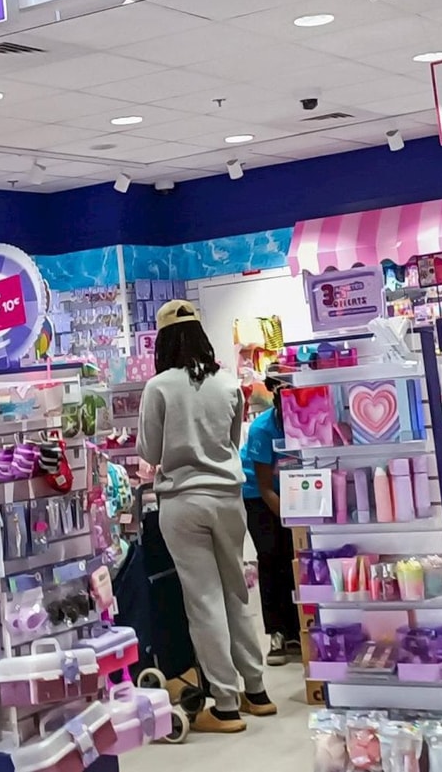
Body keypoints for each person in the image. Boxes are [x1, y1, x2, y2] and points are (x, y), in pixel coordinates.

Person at [137, 299, 275, 734]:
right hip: (229, 498)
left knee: (204, 601)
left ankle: (225, 704)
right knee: (236, 593)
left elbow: (149, 452)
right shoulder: (229, 384)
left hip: (182, 501)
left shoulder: (159, 387)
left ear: (162, 341)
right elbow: (233, 443)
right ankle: (257, 691)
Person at [240, 376, 300, 665]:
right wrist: (291, 521)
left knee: (295, 558)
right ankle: (277, 632)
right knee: (271, 555)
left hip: (294, 488)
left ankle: (297, 631)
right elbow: (265, 488)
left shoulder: (309, 418)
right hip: (258, 494)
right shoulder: (262, 430)